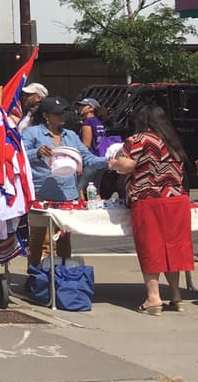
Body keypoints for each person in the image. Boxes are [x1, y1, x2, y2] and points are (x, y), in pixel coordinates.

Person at [109, 103, 193, 314]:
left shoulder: (138, 140)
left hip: (149, 199)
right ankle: (175, 295)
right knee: (173, 246)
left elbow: (127, 166)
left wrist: (114, 164)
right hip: (176, 199)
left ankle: (153, 298)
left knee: (151, 246)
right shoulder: (172, 141)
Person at [22, 95, 107, 268]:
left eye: (63, 112)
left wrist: (109, 162)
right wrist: (37, 153)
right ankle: (35, 275)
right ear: (46, 115)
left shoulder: (71, 136)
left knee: (63, 237)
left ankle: (63, 274)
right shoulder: (33, 133)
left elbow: (87, 157)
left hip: (67, 195)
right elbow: (19, 156)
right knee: (38, 238)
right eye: (57, 113)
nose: (62, 116)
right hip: (41, 195)